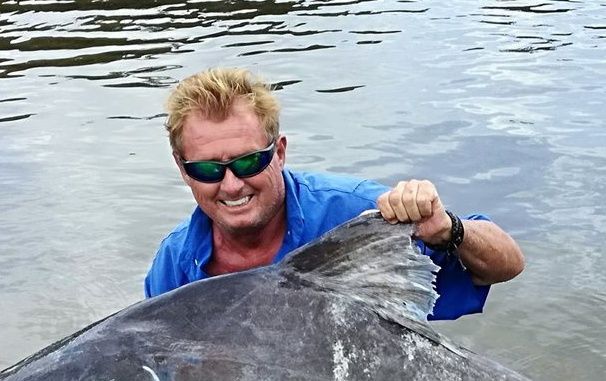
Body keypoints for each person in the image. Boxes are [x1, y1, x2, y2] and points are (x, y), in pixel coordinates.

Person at [144, 68, 525, 319]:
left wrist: (449, 230)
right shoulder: (174, 264)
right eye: (207, 169)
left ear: (279, 152)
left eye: (248, 163)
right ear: (182, 168)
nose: (231, 185)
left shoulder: (357, 215)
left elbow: (508, 265)